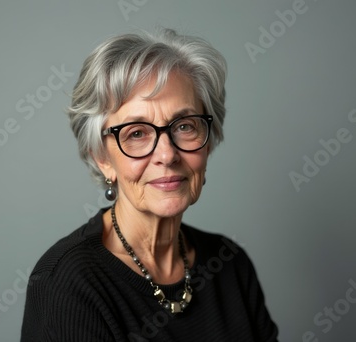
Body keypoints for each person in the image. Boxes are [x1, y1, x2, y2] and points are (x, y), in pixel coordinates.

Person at [21, 28, 278, 342]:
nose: (167, 154)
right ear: (103, 158)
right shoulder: (67, 283)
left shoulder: (229, 263)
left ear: (208, 142)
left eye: (184, 126)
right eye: (137, 133)